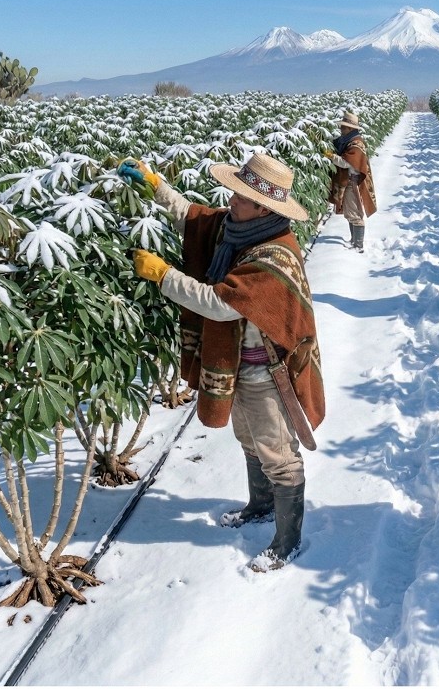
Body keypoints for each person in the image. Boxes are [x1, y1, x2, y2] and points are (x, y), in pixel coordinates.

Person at [119, 153, 325, 572]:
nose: (231, 201)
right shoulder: (238, 230)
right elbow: (195, 219)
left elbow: (217, 304)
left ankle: (288, 542)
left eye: (241, 197)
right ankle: (260, 505)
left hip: (269, 372)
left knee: (278, 453)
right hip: (241, 366)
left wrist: (164, 276)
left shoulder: (273, 257)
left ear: (264, 208)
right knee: (249, 440)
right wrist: (155, 186)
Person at [326, 111, 377, 252]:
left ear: (350, 128)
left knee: (355, 213)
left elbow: (346, 163)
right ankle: (354, 240)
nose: (341, 129)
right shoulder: (347, 141)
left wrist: (331, 156)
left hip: (352, 182)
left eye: (343, 127)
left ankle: (358, 246)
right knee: (349, 212)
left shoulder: (356, 144)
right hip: (347, 181)